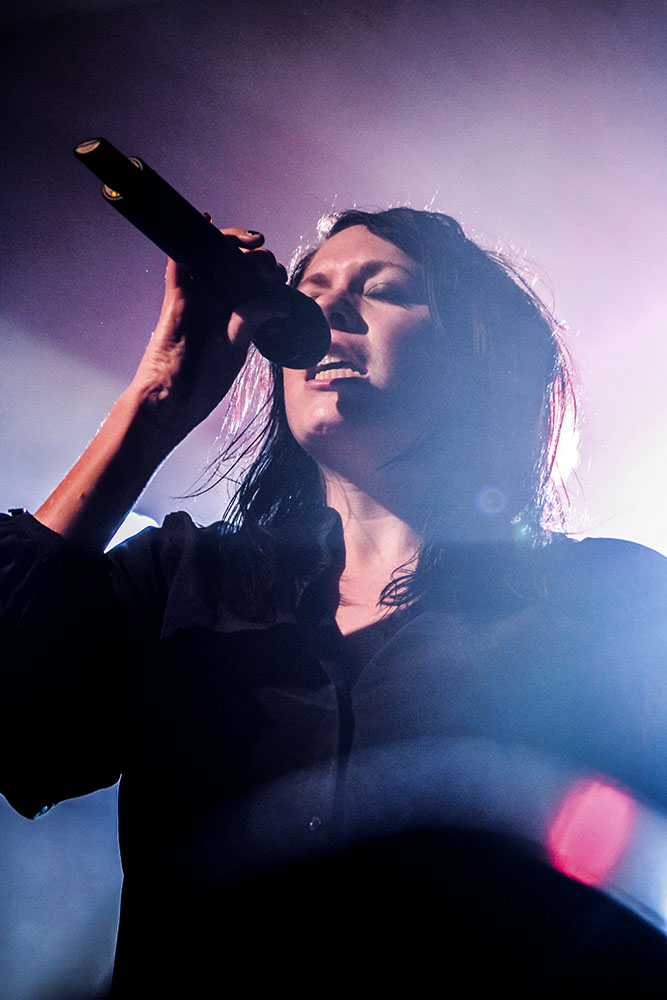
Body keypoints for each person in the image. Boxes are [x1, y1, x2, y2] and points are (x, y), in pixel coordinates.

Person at [2, 208, 667, 993]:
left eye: (382, 289)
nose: (328, 311)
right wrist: (156, 401)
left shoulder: (610, 602)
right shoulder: (183, 579)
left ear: (479, 357)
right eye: (309, 291)